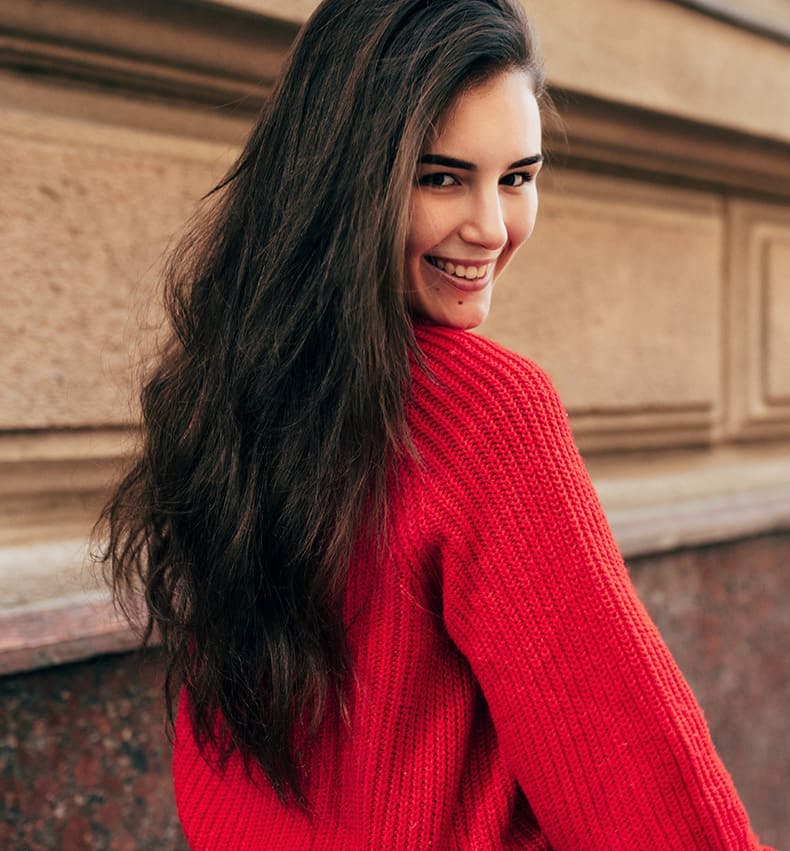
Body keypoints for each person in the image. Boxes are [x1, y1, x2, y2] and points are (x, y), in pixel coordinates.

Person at [96, 0, 776, 847]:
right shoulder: (485, 413)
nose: (491, 228)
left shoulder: (222, 388)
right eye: (442, 177)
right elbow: (630, 777)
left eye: (517, 178)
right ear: (348, 180)